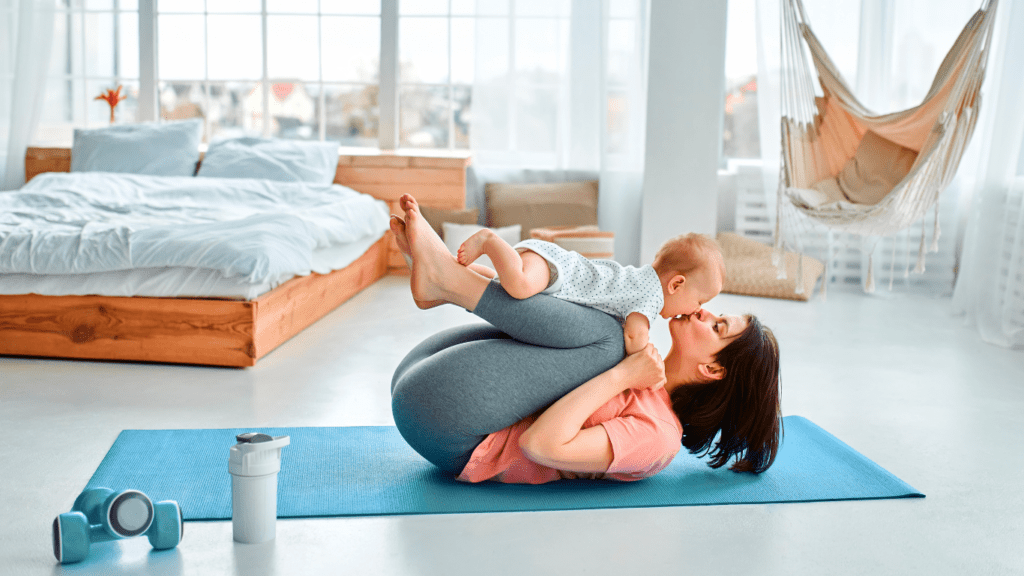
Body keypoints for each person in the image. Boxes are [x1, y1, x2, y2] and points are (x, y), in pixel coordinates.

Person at [389, 194, 781, 484]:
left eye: (717, 326)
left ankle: (448, 280)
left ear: (713, 369)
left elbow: (540, 445)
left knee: (611, 340)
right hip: (427, 374)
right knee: (610, 325)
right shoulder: (643, 363)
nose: (703, 312)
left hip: (451, 430)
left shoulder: (658, 436)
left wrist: (623, 376)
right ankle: (446, 281)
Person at [455, 227, 725, 355]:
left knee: (498, 287)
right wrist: (644, 356)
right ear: (676, 284)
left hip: (554, 270)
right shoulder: (651, 296)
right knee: (519, 286)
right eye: (700, 299)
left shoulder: (643, 282)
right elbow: (634, 334)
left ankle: (455, 274)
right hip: (556, 269)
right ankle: (489, 241)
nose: (699, 309)